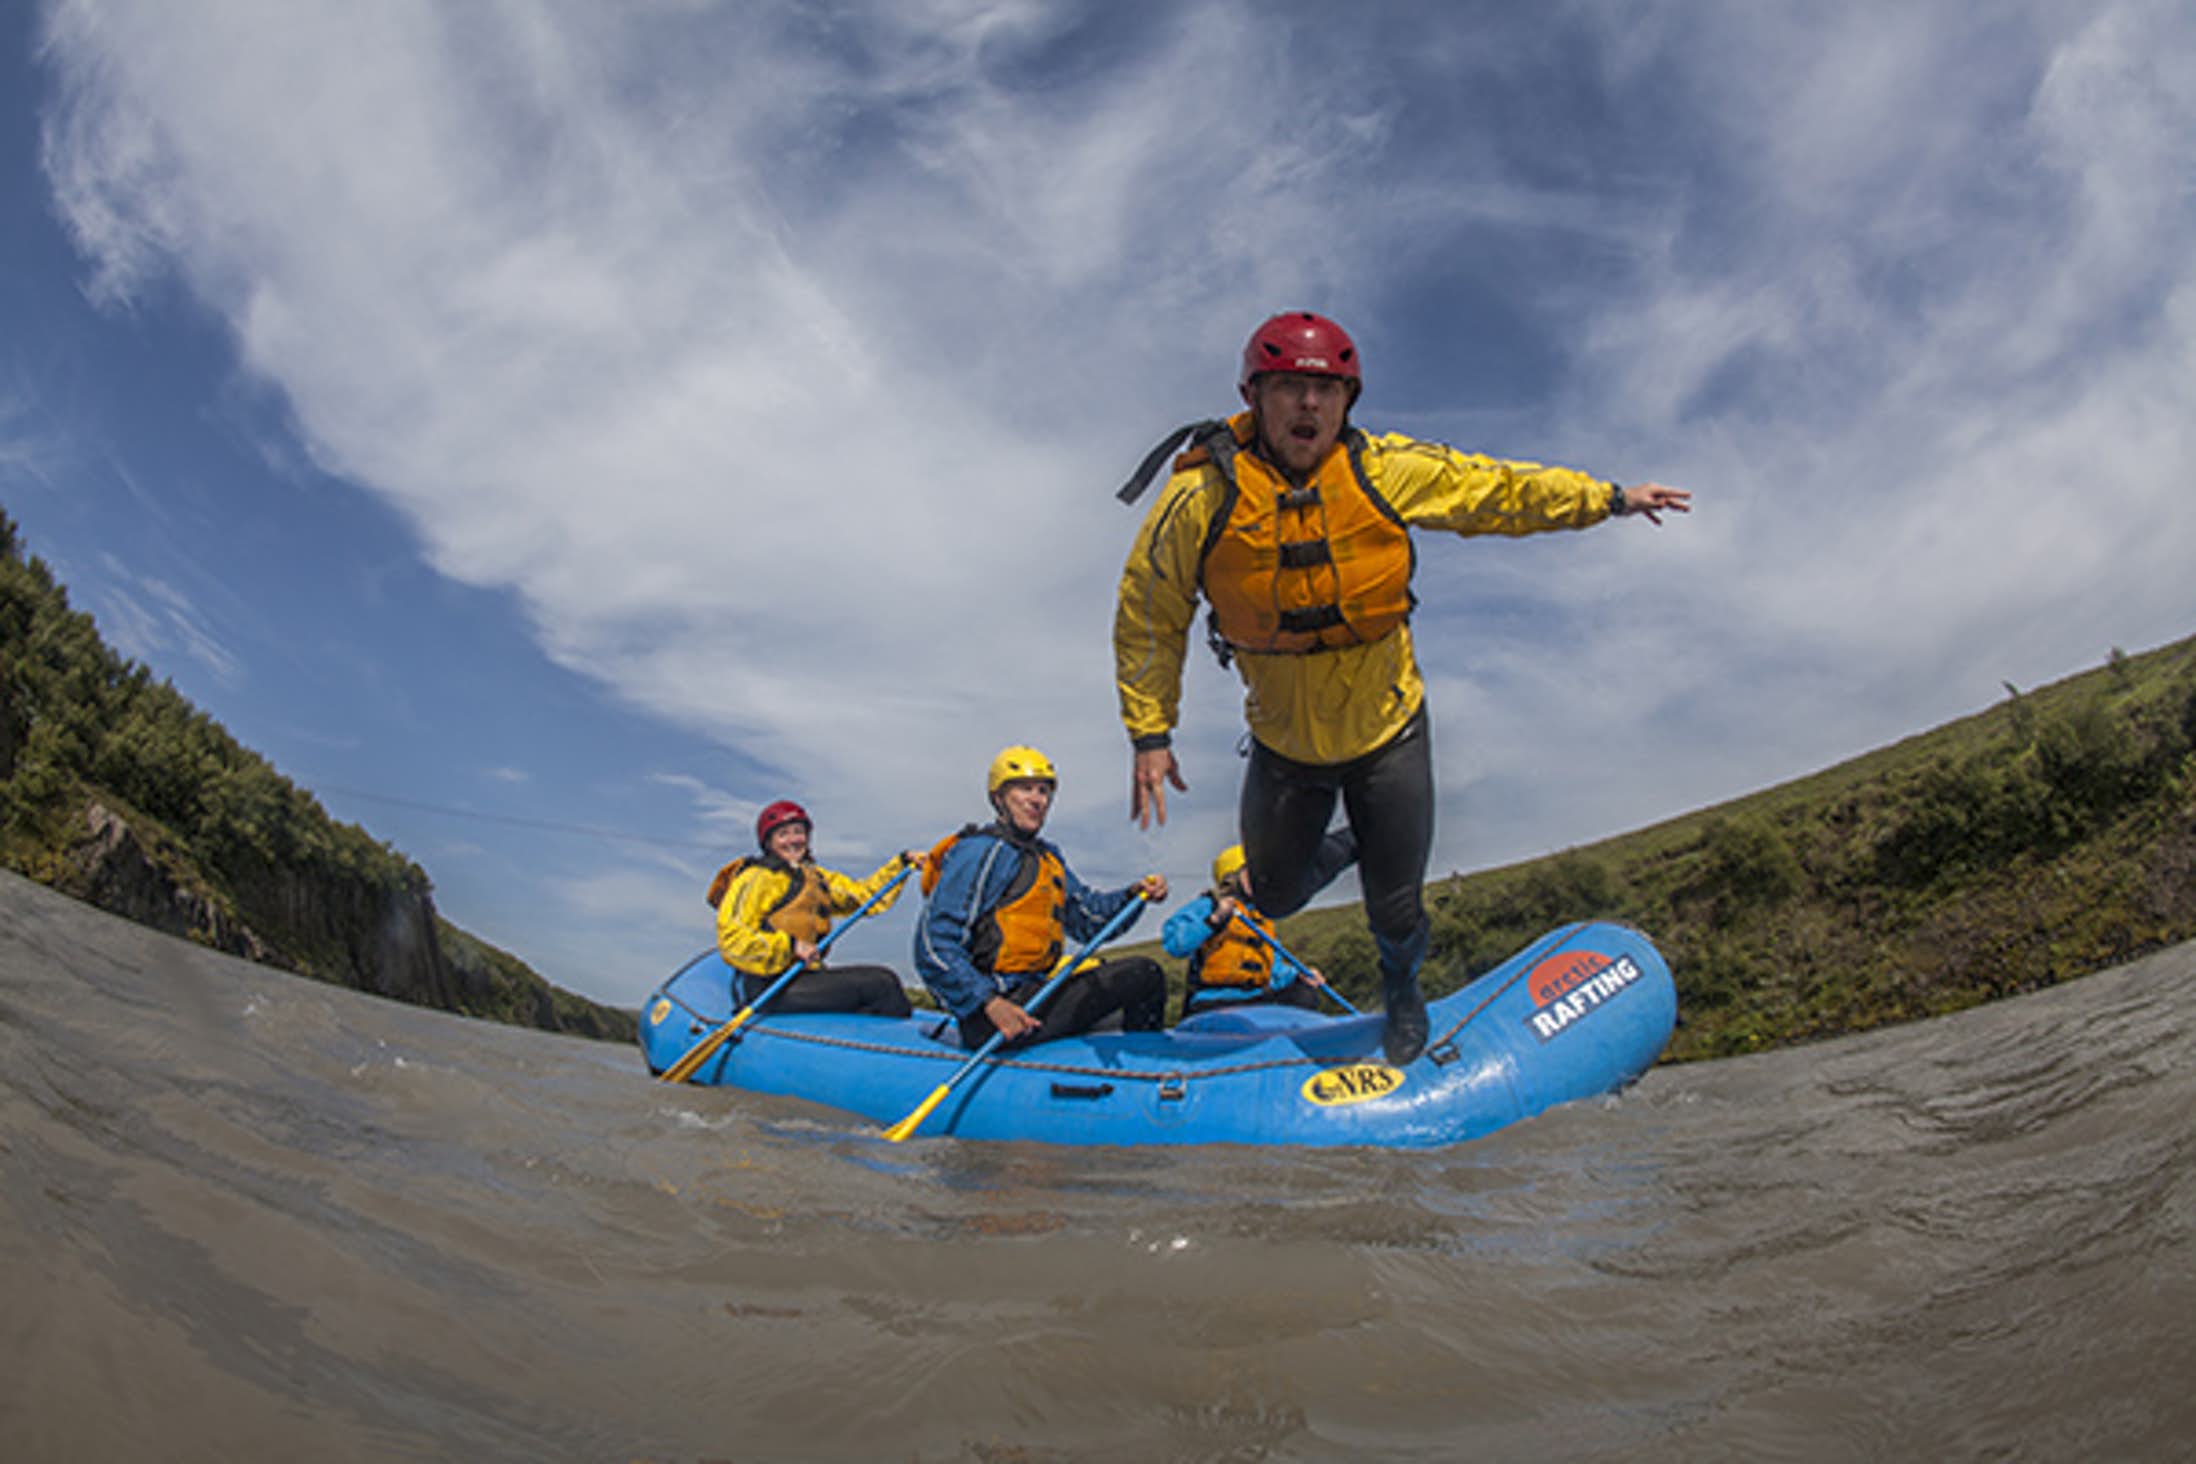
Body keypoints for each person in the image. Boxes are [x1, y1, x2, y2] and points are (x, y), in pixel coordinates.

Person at [1113, 311, 1691, 1064]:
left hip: (1390, 732)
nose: (1308, 407)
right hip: (1287, 746)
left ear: (1349, 400)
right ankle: (1355, 840)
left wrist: (1609, 498)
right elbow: (1150, 609)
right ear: (1253, 395)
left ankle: (1403, 993)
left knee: (1395, 908)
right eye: (1289, 387)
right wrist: (1150, 732)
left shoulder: (1386, 468)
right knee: (1275, 894)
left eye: (1326, 390)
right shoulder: (1199, 498)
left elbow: (1497, 491)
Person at [914, 745, 1170, 1048]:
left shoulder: (1047, 858)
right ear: (999, 798)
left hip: (1036, 995)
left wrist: (1134, 895)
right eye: (1025, 789)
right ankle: (1144, 1076)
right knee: (1143, 974)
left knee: (1129, 975)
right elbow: (933, 945)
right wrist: (989, 1002)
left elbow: (1090, 920)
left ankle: (1134, 1071)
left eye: (1044, 791)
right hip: (993, 1014)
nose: (1037, 799)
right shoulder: (980, 852)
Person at [707, 799, 917, 1018]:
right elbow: (732, 936)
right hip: (770, 986)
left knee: (883, 984)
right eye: (783, 834)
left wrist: (901, 864)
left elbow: (862, 896)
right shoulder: (756, 878)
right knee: (881, 984)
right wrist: (790, 946)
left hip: (805, 977)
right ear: (768, 842)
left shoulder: (815, 878)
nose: (793, 840)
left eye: (798, 832)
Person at [1162, 844, 1329, 1024]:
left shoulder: (1262, 917)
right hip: (1213, 1002)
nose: (1261, 879)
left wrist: (1299, 975)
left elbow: (1274, 970)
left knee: (1304, 995)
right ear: (1231, 878)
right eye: (1252, 872)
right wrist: (1214, 920)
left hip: (1256, 1001)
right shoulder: (1208, 906)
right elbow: (1176, 944)